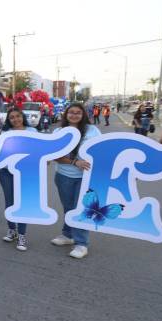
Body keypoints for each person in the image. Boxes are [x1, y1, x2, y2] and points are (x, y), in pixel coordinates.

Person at [51, 102, 101, 259]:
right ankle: (68, 235)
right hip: (63, 176)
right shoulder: (59, 131)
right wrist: (74, 162)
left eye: (78, 112)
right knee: (68, 207)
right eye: (71, 112)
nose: (74, 115)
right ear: (66, 114)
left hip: (85, 178)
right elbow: (53, 155)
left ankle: (81, 243)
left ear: (83, 114)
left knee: (80, 209)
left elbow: (101, 151)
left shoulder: (93, 130)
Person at [0, 108, 37, 251]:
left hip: (25, 174)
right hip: (6, 173)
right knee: (9, 203)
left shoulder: (32, 132)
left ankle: (22, 235)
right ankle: (12, 230)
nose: (16, 119)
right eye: (12, 117)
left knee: (22, 204)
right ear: (9, 120)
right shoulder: (5, 134)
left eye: (18, 116)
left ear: (23, 117)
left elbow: (38, 151)